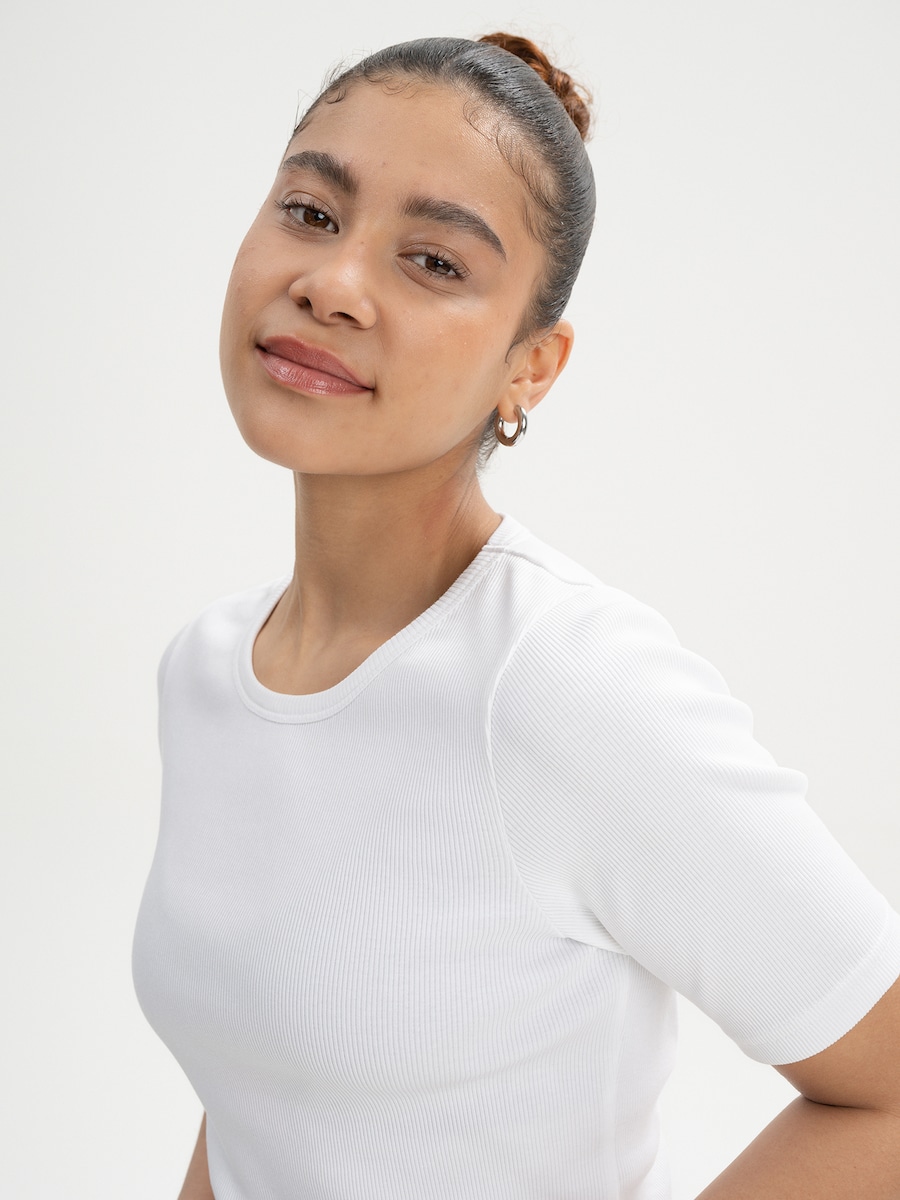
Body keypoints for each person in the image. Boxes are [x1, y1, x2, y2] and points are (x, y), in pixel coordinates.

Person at [132, 33, 900, 1200]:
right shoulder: (207, 672)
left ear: (530, 367)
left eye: (433, 262)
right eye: (311, 212)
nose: (332, 284)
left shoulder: (567, 686)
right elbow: (259, 1105)